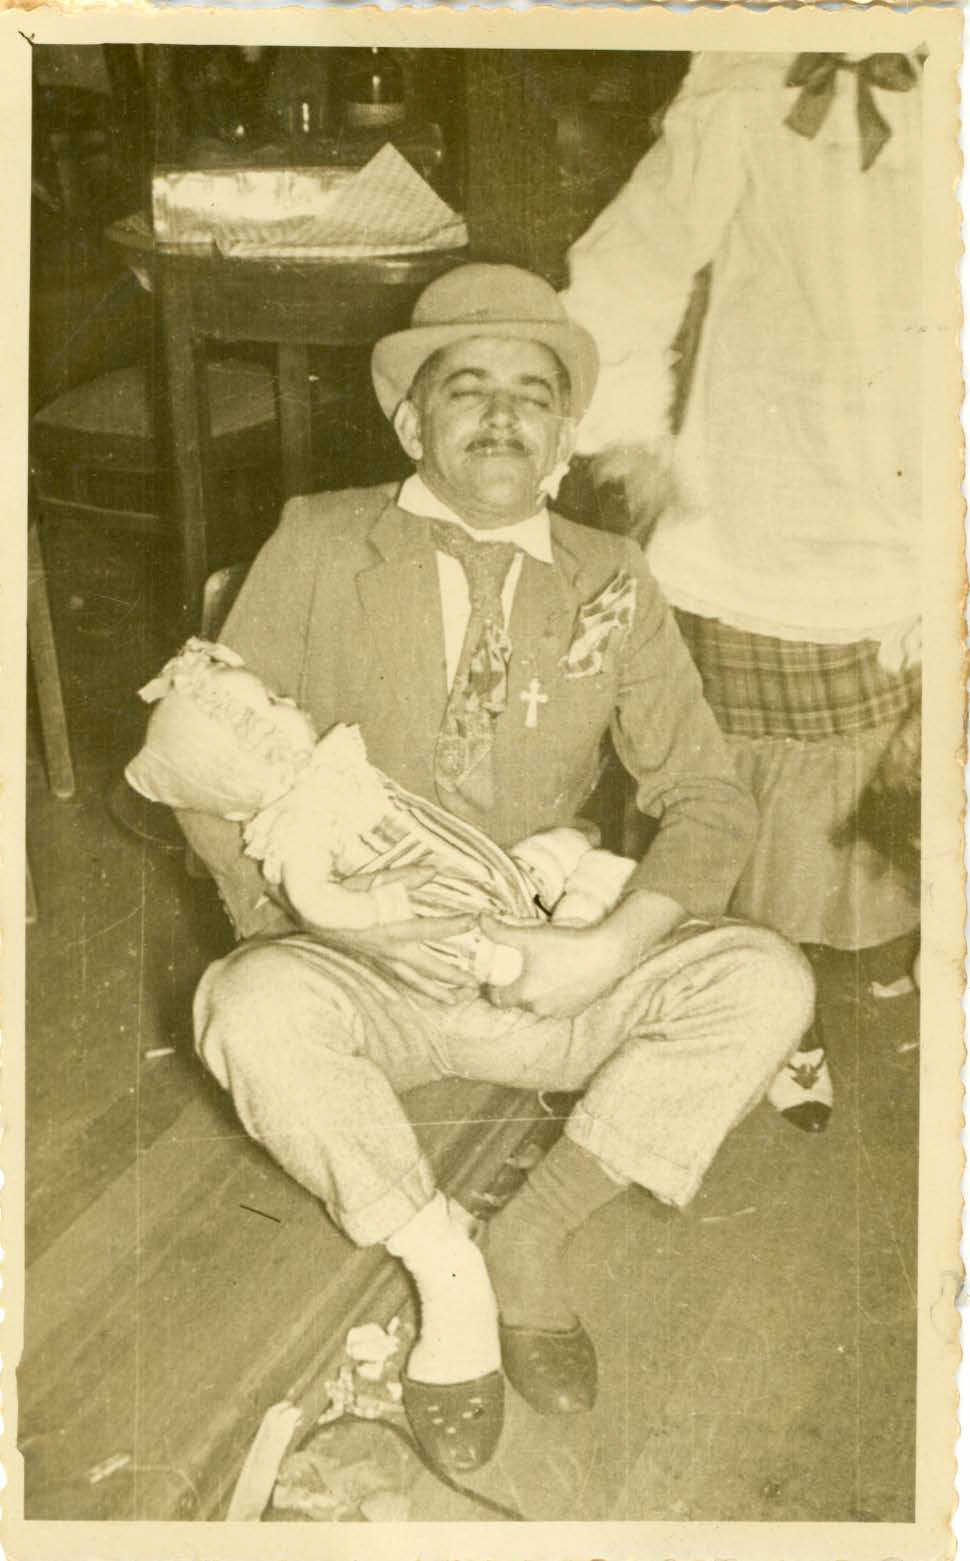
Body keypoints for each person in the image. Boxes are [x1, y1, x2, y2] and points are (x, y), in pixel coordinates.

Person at [178, 263, 814, 1478]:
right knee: (243, 1007)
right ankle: (446, 1268)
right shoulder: (318, 538)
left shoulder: (611, 576)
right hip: (364, 969)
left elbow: (708, 799)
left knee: (766, 982)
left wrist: (602, 948)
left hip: (546, 973)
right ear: (410, 421)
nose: (501, 415)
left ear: (564, 435)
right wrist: (306, 922)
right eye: (466, 387)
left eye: (533, 393)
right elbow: (206, 766)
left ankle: (528, 1239)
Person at [563, 51, 923, 1131]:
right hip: (773, 491)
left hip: (928, 480)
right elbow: (636, 257)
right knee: (763, 785)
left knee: (898, 765)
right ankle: (762, 991)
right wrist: (628, 429)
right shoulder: (755, 74)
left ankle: (872, 932)